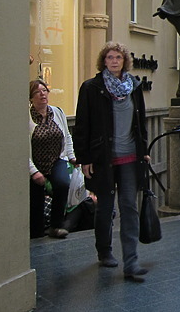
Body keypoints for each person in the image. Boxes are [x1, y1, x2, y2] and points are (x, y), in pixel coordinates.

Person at [73, 42, 150, 282]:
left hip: (129, 157)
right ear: (103, 61)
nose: (114, 61)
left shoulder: (134, 87)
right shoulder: (91, 88)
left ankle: (131, 262)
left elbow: (141, 122)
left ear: (124, 61)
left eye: (118, 57)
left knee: (129, 205)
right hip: (102, 158)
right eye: (109, 57)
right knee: (105, 207)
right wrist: (84, 158)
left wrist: (143, 150)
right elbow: (82, 125)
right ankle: (104, 250)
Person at [28, 79, 76, 239]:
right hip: (35, 162)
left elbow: (67, 136)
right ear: (31, 98)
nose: (42, 94)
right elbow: (23, 148)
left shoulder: (57, 112)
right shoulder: (26, 117)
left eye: (44, 90)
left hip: (56, 159)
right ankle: (36, 234)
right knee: (36, 201)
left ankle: (57, 225)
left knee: (62, 183)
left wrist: (71, 156)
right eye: (37, 92)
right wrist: (33, 171)